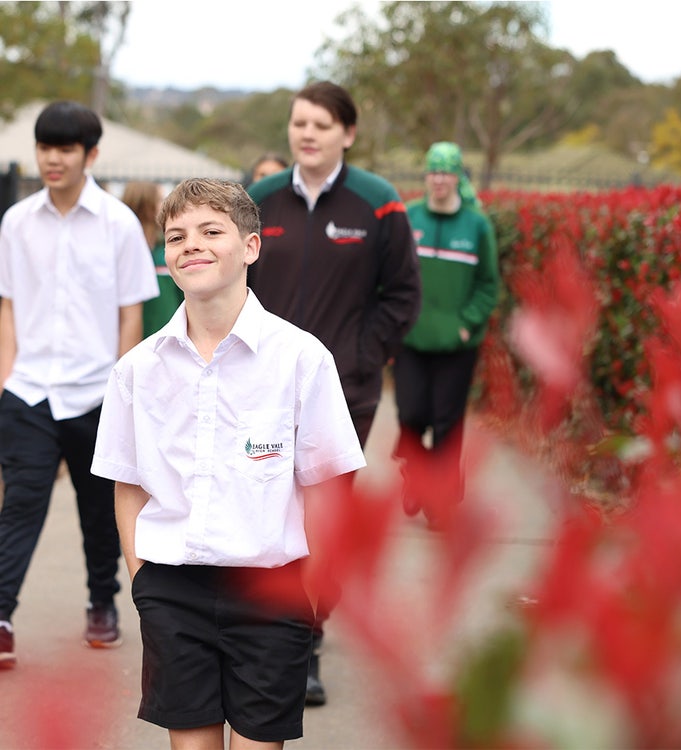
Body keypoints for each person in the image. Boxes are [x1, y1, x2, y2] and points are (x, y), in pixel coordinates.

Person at [91, 178, 365, 749]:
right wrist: (143, 582)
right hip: (172, 592)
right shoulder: (137, 370)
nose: (192, 244)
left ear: (251, 246)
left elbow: (330, 486)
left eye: (211, 231)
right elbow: (129, 485)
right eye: (176, 236)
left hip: (271, 593)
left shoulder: (302, 358)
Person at [246, 80, 421, 705]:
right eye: (299, 123)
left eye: (321, 123)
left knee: (324, 516)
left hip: (345, 392)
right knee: (268, 510)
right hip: (261, 388)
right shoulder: (260, 201)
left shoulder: (379, 204)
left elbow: (402, 295)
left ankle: (306, 644)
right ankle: (265, 632)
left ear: (347, 132)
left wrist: (361, 356)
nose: (308, 133)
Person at [0, 100, 159, 668]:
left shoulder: (118, 224)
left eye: (65, 148)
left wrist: (121, 396)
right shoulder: (16, 222)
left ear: (91, 154)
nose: (52, 158)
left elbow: (130, 317)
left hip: (96, 393)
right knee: (20, 503)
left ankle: (101, 603)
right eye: (45, 147)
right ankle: (1, 613)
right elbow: (9, 309)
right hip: (30, 391)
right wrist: (6, 382)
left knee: (99, 510)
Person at [392, 141, 499, 528]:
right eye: (433, 171)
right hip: (412, 341)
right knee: (411, 416)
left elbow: (488, 284)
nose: (439, 179)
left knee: (447, 422)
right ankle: (416, 476)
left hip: (457, 343)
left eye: (446, 171)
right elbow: (392, 275)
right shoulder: (409, 218)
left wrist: (467, 321)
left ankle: (442, 501)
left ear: (457, 176)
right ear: (426, 176)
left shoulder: (476, 224)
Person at [121, 180, 184, 337]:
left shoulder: (167, 249)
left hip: (169, 340)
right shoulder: (122, 250)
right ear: (145, 204)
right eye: (160, 199)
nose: (165, 205)